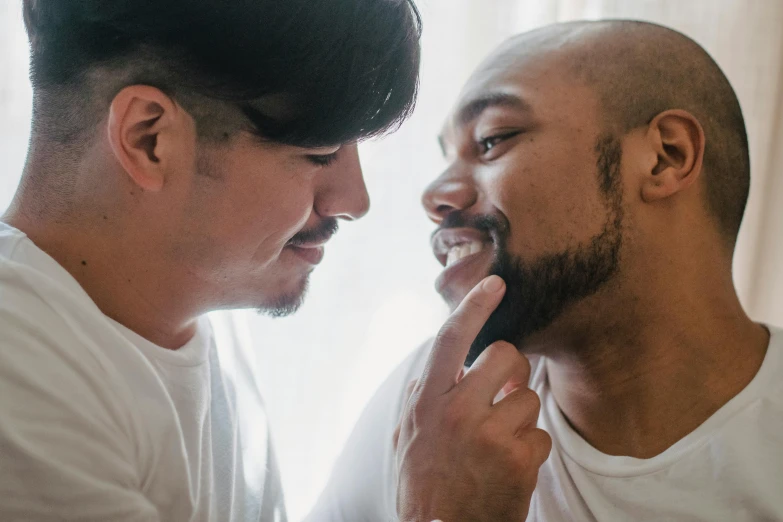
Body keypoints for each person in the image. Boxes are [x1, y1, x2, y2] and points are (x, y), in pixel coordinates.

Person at [0, 1, 551, 521]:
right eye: (318, 155)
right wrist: (442, 511)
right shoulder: (20, 379)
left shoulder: (201, 320)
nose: (354, 201)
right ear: (150, 138)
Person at [307, 19, 783, 522]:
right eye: (447, 155)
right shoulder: (437, 409)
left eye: (492, 140)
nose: (433, 196)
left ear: (665, 158)